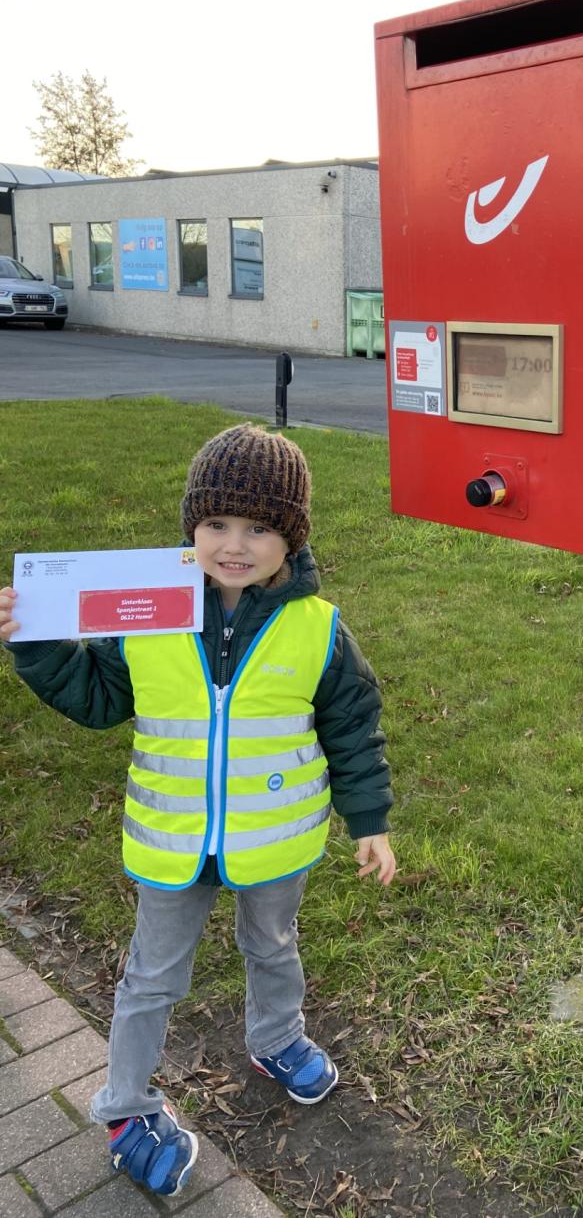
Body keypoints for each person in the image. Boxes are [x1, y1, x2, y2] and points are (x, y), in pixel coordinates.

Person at [0, 423, 396, 1199]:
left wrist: (369, 818)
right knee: (150, 977)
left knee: (273, 946)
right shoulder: (147, 608)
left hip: (273, 842)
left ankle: (276, 1037)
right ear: (192, 525)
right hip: (173, 841)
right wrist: (37, 644)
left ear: (292, 536)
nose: (234, 545)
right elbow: (98, 697)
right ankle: (126, 1110)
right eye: (217, 523)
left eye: (259, 527)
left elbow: (353, 723)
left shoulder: (318, 629)